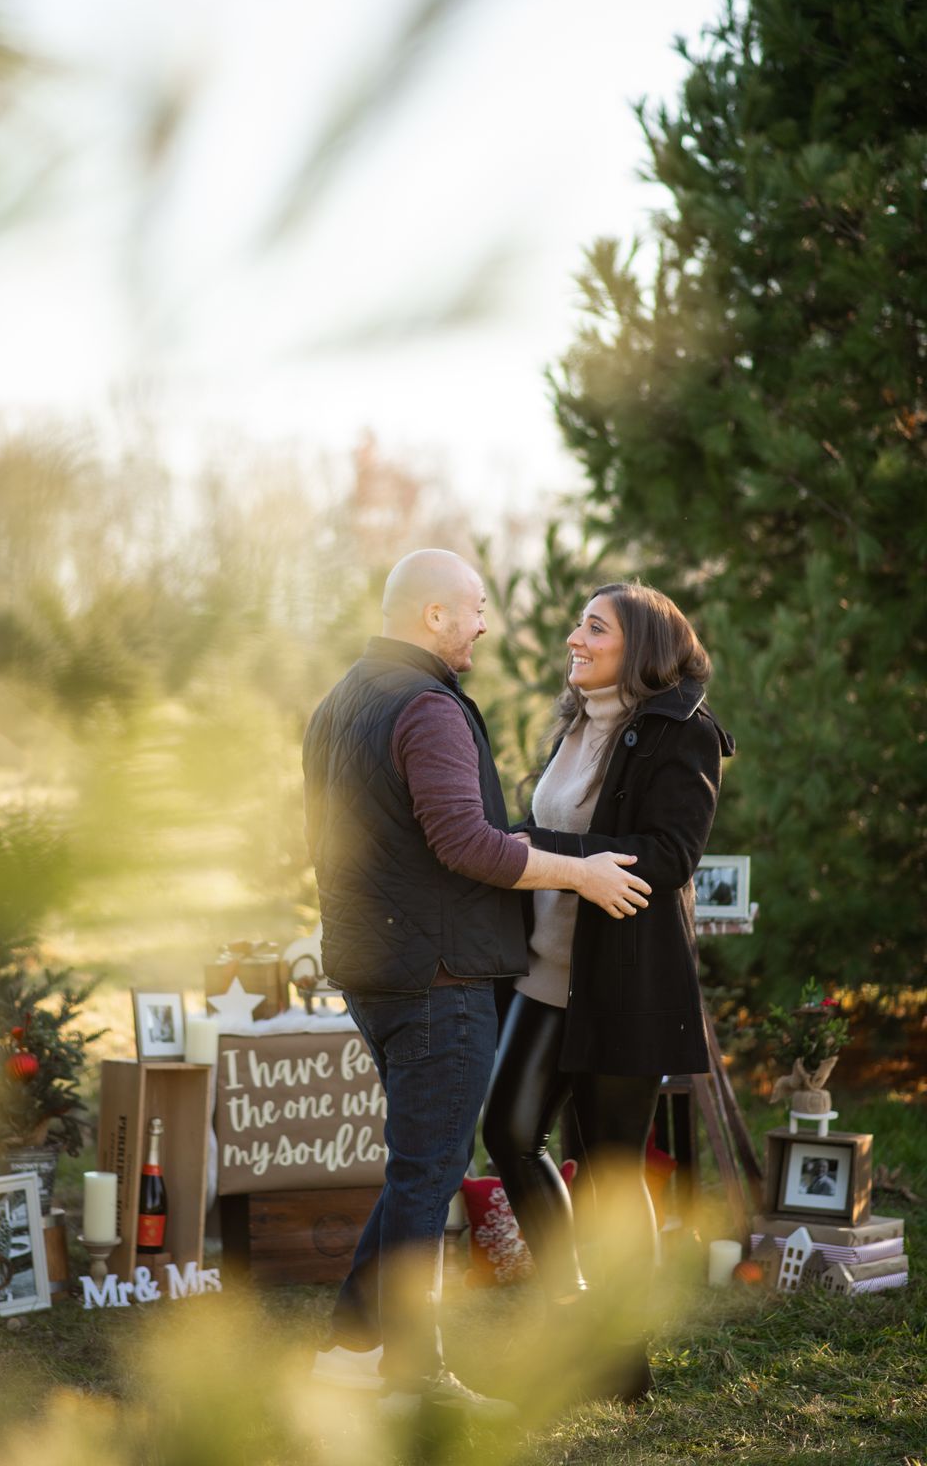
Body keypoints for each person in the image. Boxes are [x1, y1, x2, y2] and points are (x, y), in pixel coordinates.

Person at [302, 549, 651, 1418]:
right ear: (433, 615)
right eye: (477, 608)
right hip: (436, 978)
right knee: (428, 1174)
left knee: (417, 1165)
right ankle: (409, 1380)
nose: (485, 625)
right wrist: (579, 875)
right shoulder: (426, 708)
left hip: (372, 972)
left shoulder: (340, 701)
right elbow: (464, 842)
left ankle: (350, 1350)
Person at [482, 580, 734, 1402]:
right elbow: (556, 844)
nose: (574, 639)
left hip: (622, 986)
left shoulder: (679, 734)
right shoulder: (575, 724)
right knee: (510, 1135)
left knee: (616, 1172)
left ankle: (621, 1361)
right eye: (578, 624)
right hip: (544, 978)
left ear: (641, 648)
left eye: (595, 628)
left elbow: (669, 856)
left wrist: (534, 846)